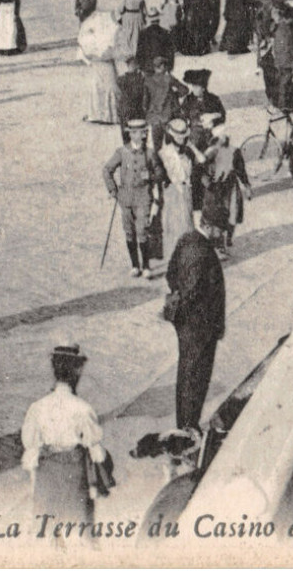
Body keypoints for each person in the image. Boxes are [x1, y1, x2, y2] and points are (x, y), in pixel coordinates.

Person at [21, 341, 113, 524]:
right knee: (78, 524)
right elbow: (96, 449)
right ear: (77, 372)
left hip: (47, 472)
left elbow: (30, 445)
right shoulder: (82, 408)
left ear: (54, 370)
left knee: (45, 524)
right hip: (74, 472)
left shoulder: (37, 407)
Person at [164, 226, 226, 434]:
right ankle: (188, 427)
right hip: (200, 327)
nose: (222, 235)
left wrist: (176, 295)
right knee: (195, 378)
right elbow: (192, 292)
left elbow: (170, 273)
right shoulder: (202, 253)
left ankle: (186, 423)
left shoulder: (187, 239)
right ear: (209, 226)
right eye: (220, 230)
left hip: (189, 326)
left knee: (187, 374)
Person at [104, 119, 166, 280]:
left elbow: (160, 173)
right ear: (131, 134)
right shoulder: (122, 152)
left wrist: (151, 176)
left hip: (144, 197)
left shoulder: (150, 153)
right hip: (125, 198)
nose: (143, 135)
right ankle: (135, 265)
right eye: (139, 132)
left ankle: (146, 266)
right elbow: (107, 169)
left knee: (142, 231)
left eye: (144, 132)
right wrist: (113, 189)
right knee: (129, 232)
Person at [199, 128, 249, 258]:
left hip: (230, 186)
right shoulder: (210, 153)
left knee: (232, 213)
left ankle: (227, 239)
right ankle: (217, 246)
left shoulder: (234, 151)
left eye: (226, 137)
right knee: (214, 217)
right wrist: (207, 183)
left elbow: (241, 170)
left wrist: (247, 186)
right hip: (215, 189)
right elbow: (200, 170)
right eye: (221, 137)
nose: (224, 140)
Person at [159, 120, 199, 250]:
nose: (181, 140)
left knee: (188, 225)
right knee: (176, 227)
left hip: (186, 190)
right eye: (178, 137)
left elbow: (202, 160)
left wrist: (192, 146)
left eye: (183, 137)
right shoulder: (165, 153)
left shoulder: (187, 152)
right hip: (173, 192)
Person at [114, 0, 145, 75]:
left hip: (128, 17)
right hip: (138, 17)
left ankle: (129, 54)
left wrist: (119, 18)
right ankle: (135, 52)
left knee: (128, 34)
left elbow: (120, 9)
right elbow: (144, 10)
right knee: (137, 34)